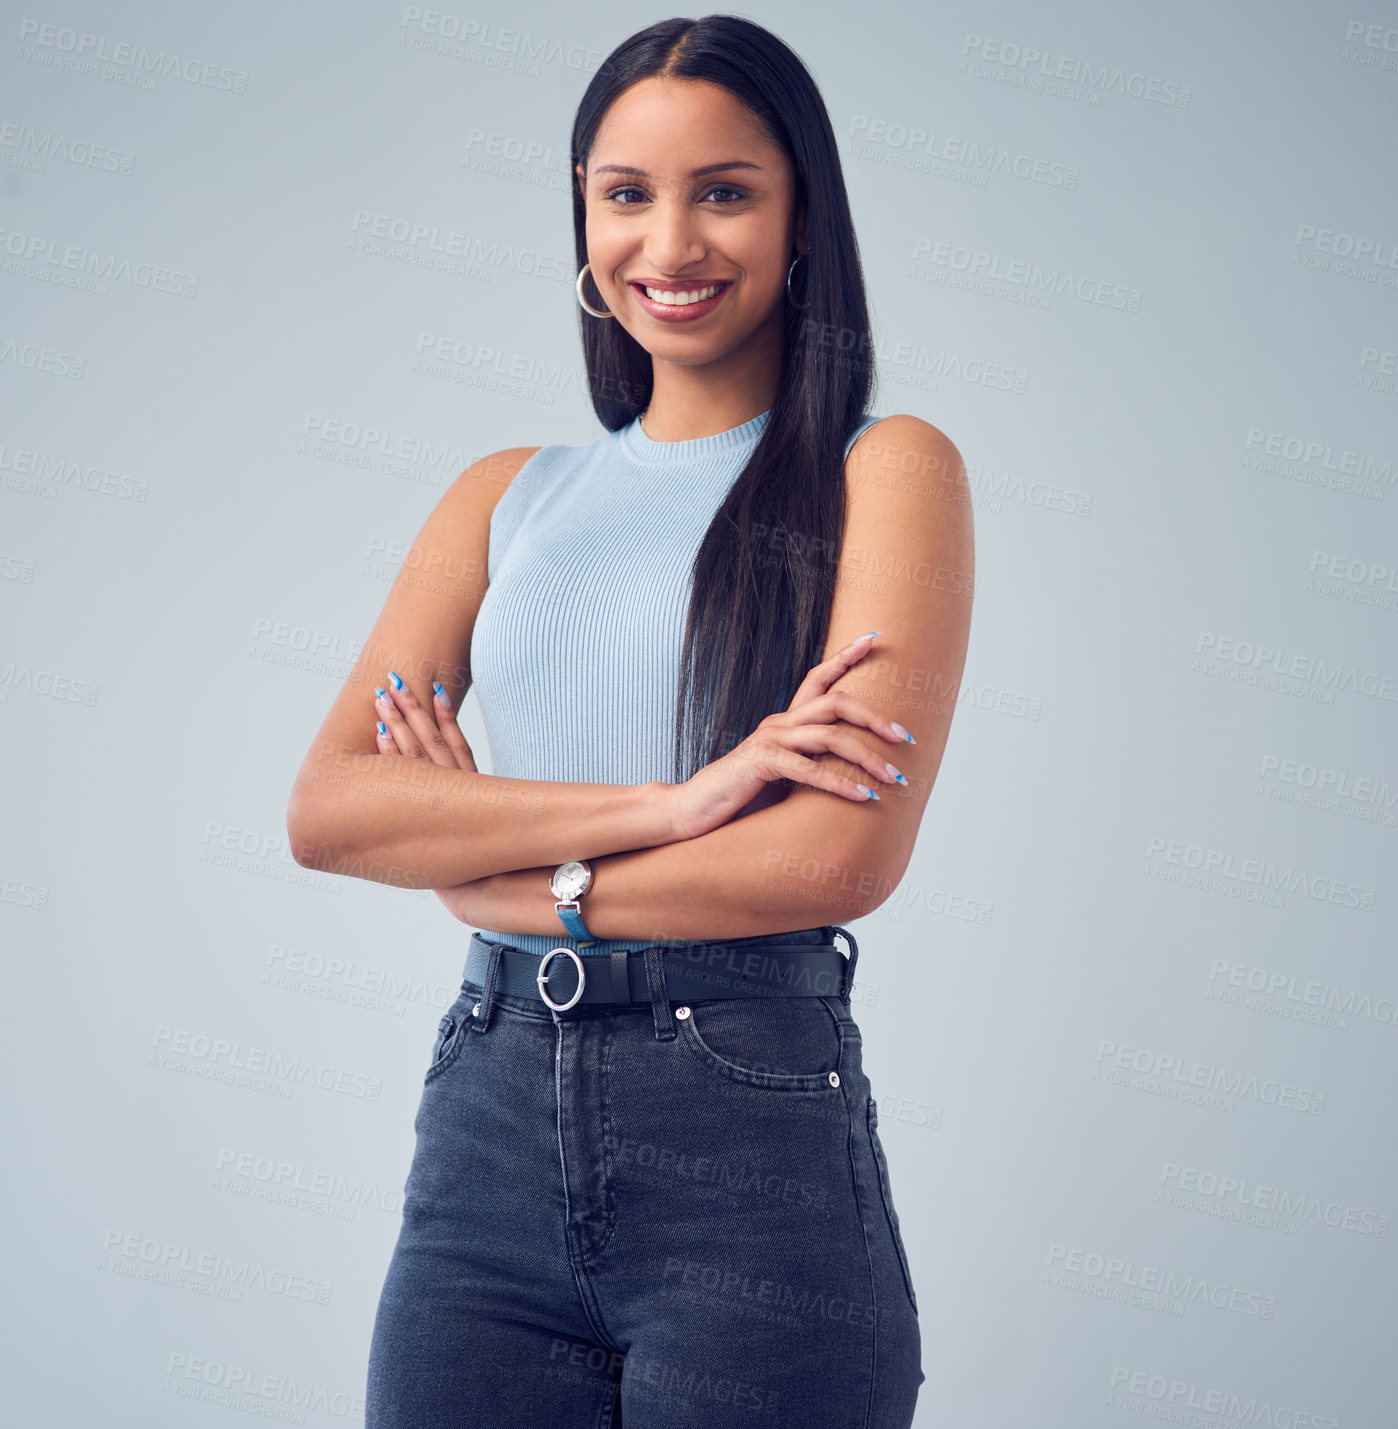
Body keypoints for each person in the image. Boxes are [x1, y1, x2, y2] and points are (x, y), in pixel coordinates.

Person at [287, 14, 973, 1427]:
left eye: (724, 190)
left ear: (801, 221)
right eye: (625, 194)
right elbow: (330, 810)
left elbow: (828, 862)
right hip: (484, 1127)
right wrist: (678, 801)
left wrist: (485, 871)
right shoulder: (504, 494)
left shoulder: (883, 471)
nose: (670, 242)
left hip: (744, 1122)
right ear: (584, 220)